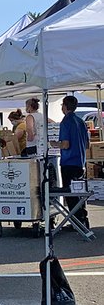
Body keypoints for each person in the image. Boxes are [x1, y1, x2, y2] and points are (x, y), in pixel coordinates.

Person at [50, 96, 90, 228]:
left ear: (65, 106)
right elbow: (87, 144)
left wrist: (55, 144)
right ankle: (83, 219)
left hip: (68, 162)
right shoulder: (81, 121)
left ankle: (77, 222)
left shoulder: (65, 122)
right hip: (80, 161)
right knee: (79, 193)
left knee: (71, 195)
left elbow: (66, 144)